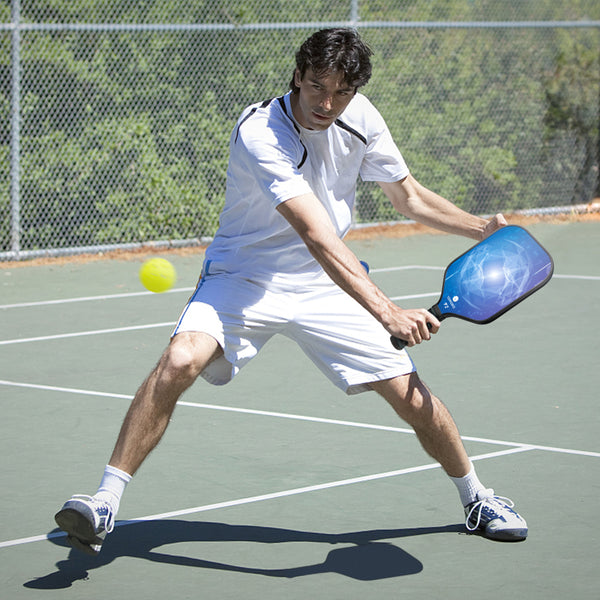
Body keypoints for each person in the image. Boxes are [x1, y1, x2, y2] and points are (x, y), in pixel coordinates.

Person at [55, 28, 527, 556]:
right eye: (317, 87)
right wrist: (388, 311)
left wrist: (479, 228)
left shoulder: (361, 118)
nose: (327, 103)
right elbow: (316, 233)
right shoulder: (261, 131)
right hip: (245, 276)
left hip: (325, 284)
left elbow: (409, 196)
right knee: (180, 360)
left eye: (341, 92)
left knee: (409, 394)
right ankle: (104, 502)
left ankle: (477, 498)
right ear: (297, 76)